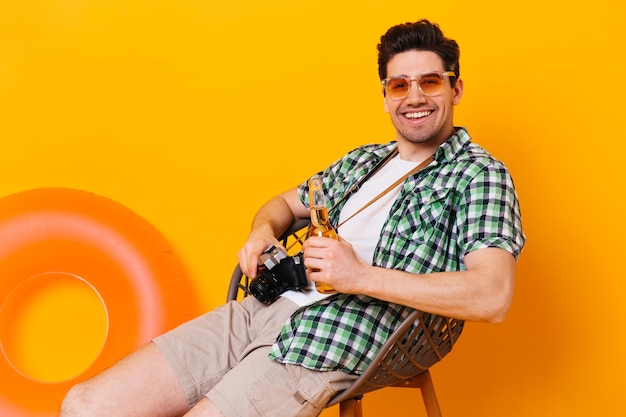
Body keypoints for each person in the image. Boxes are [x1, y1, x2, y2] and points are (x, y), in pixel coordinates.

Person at [59, 19, 525, 417]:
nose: (414, 96)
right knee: (84, 406)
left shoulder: (478, 175)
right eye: (399, 85)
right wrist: (261, 231)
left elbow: (492, 295)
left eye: (430, 81)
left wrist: (359, 275)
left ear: (455, 88)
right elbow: (282, 204)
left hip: (337, 337)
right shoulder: (364, 161)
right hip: (261, 310)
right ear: (385, 96)